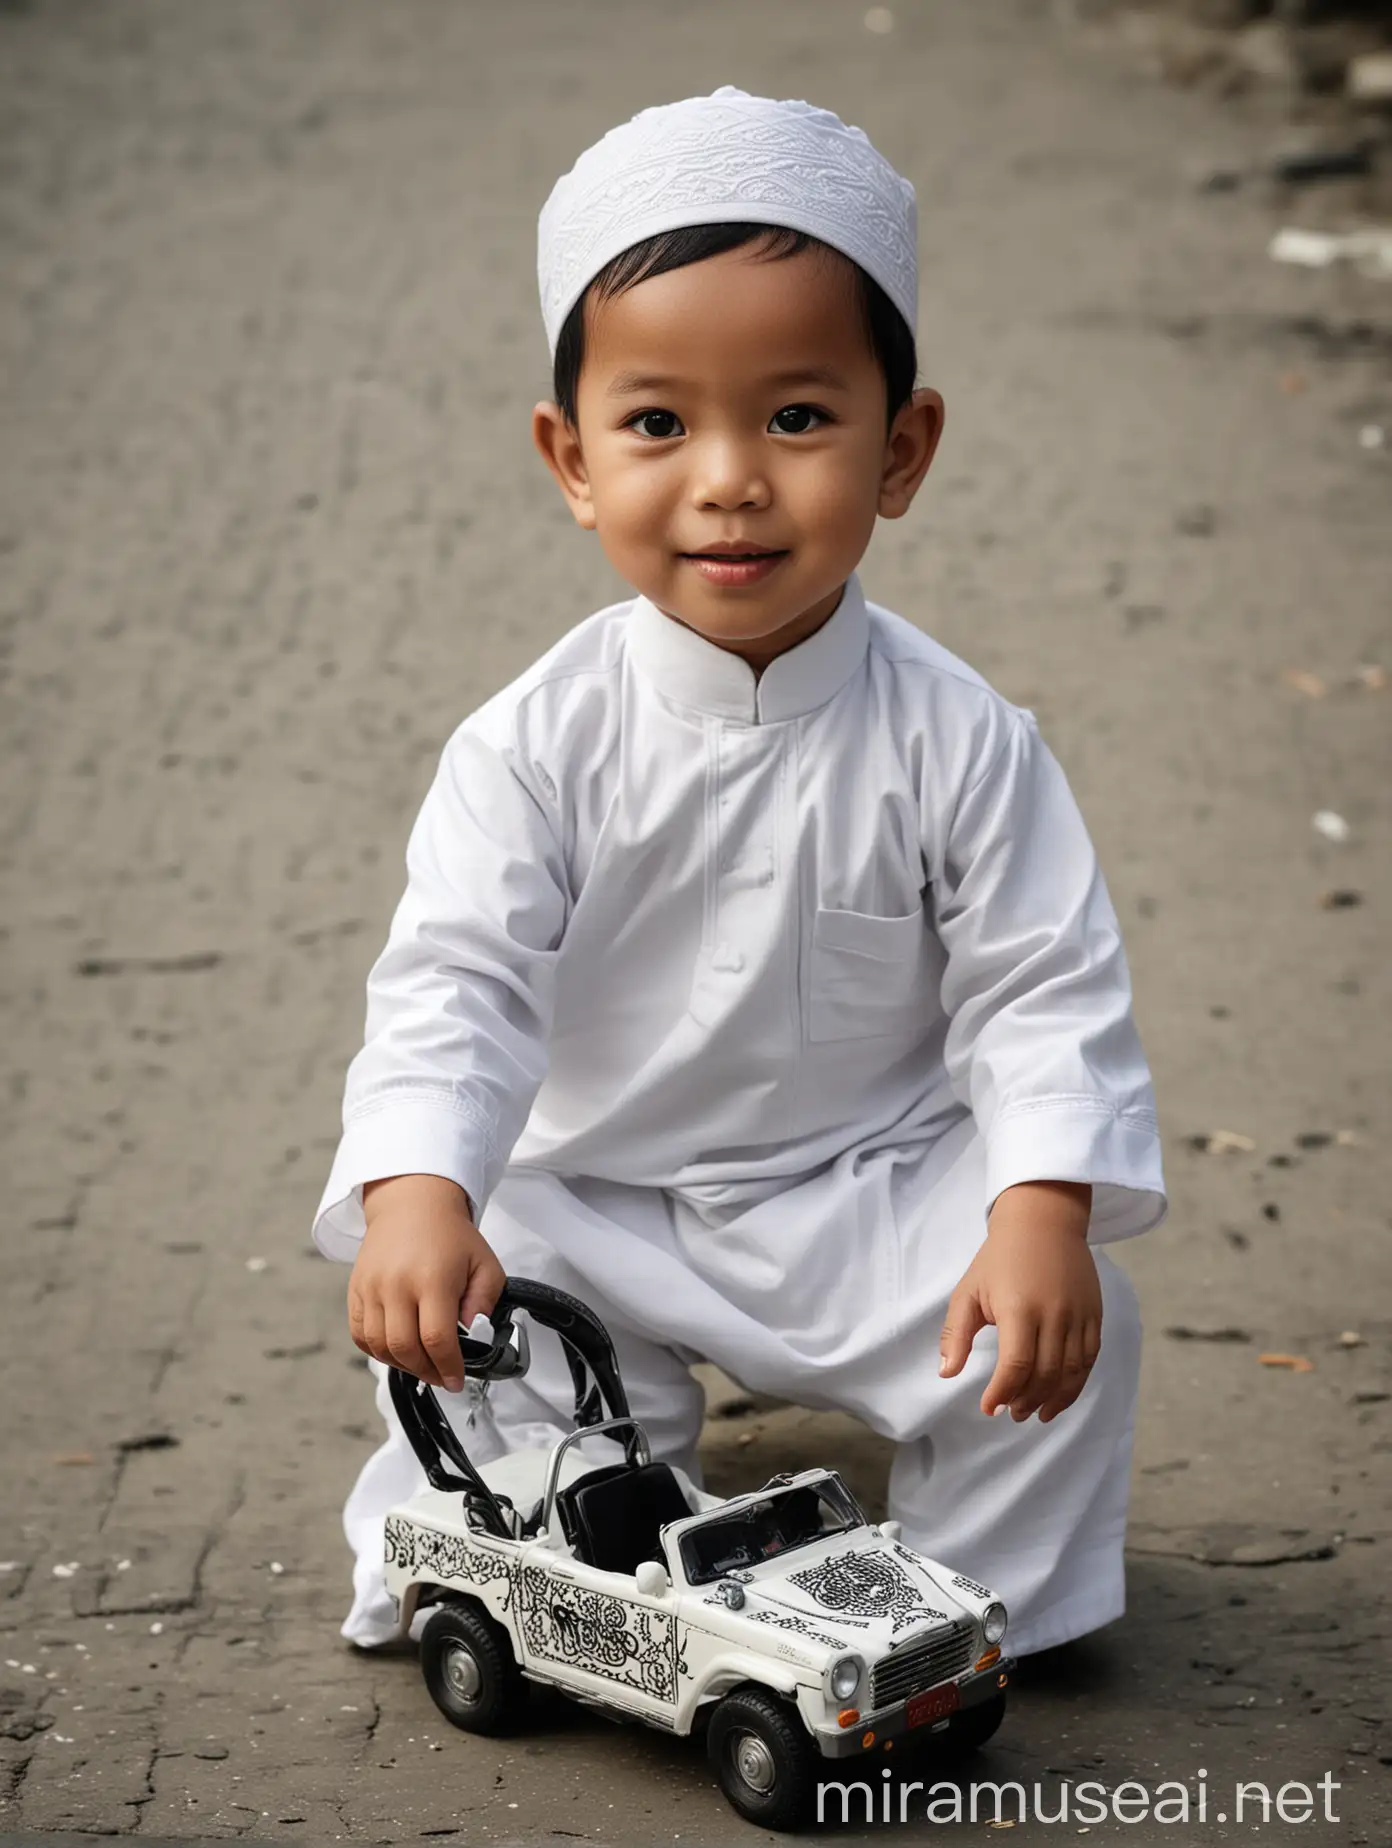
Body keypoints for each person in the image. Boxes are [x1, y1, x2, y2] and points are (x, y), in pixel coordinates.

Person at [311, 86, 1166, 1656]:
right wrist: (417, 1191)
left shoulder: (964, 739)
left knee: (1061, 1329)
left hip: (871, 1193)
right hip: (603, 1201)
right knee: (480, 1339)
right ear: (570, 458)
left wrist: (1039, 1208)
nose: (728, 477)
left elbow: (1041, 989)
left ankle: (977, 1617)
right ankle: (575, 1581)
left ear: (901, 448)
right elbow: (459, 985)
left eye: (794, 416)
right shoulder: (532, 745)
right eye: (657, 423)